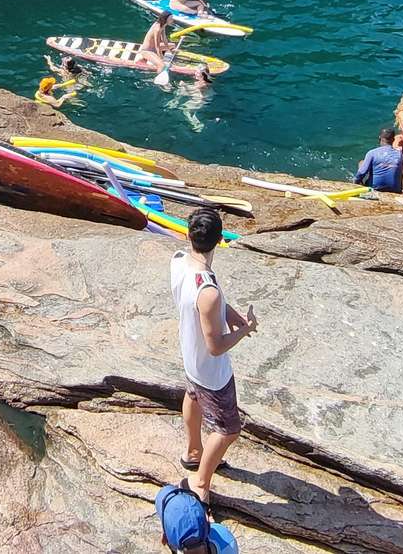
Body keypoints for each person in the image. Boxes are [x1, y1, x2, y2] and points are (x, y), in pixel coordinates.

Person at [169, 209, 256, 504]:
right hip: (212, 372)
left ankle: (193, 451)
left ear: (187, 235)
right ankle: (201, 482)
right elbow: (216, 346)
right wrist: (245, 330)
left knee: (192, 395)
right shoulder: (208, 291)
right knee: (229, 429)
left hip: (190, 357)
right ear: (220, 239)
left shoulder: (179, 261)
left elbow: (208, 303)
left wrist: (230, 315)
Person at [156, 481, 239, 553]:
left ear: (166, 538)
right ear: (207, 520)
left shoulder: (173, 541)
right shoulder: (228, 542)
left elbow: (164, 494)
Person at [353, 128, 403, 195]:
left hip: (375, 188)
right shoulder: (400, 155)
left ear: (380, 138)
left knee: (361, 163)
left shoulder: (372, 153)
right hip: (395, 189)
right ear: (393, 140)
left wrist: (355, 183)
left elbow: (361, 174)